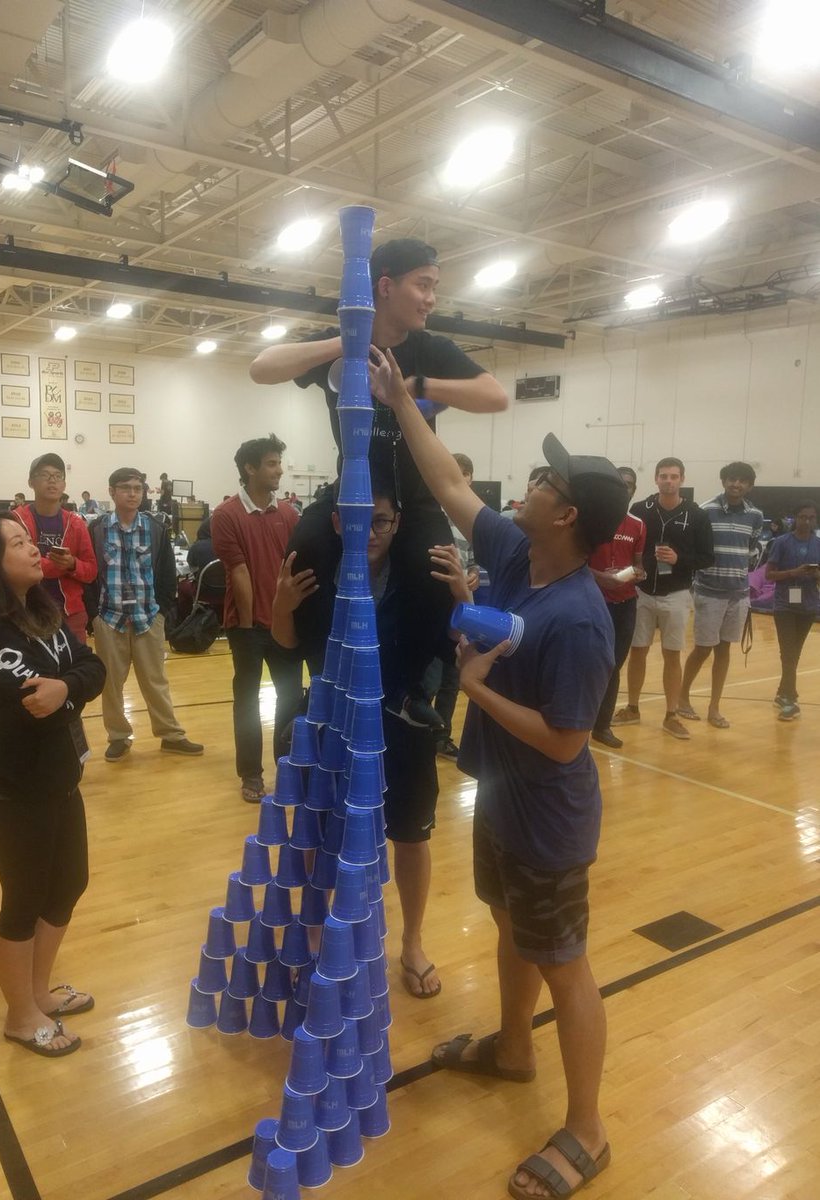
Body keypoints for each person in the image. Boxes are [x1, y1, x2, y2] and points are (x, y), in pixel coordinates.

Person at [370, 346, 627, 1199]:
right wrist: (403, 401)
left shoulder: (579, 618)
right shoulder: (522, 554)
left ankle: (588, 1129)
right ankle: (515, 1050)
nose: (535, 483)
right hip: (503, 797)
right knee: (511, 929)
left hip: (550, 812)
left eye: (549, 483)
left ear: (569, 517)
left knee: (565, 962)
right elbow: (448, 485)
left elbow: (566, 739)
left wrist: (475, 687)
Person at [249, 236, 508, 728]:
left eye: (435, 287)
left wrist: (415, 388)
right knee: (302, 557)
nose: (432, 298)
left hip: (415, 497)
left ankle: (407, 690)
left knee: (434, 576)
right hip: (351, 494)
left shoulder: (431, 349)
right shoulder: (341, 342)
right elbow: (261, 368)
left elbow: (494, 396)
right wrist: (346, 343)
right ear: (385, 286)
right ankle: (315, 683)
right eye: (423, 285)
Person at [272, 486, 471, 998]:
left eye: (381, 521)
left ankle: (413, 943)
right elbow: (288, 644)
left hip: (399, 725)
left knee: (410, 835)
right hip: (332, 722)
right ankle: (319, 940)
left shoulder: (416, 582)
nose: (370, 532)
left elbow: (458, 646)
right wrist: (282, 605)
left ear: (398, 522)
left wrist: (464, 602)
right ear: (338, 522)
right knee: (321, 834)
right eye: (360, 520)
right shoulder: (319, 575)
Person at [0, 513, 105, 1056]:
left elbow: (88, 667)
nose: (36, 549)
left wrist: (68, 687)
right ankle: (19, 1016)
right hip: (13, 794)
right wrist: (67, 690)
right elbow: (39, 704)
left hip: (60, 779)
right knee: (24, 901)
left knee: (68, 885)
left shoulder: (41, 610)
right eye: (18, 543)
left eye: (29, 539)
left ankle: (37, 993)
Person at [88, 467, 203, 761]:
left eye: (138, 488)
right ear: (112, 491)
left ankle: (171, 735)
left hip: (148, 617)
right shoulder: (98, 529)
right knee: (111, 683)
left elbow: (166, 574)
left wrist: (162, 611)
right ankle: (118, 736)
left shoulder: (155, 528)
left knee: (155, 680)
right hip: (109, 618)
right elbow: (90, 574)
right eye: (125, 487)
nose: (132, 493)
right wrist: (94, 615)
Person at [212, 435, 302, 803]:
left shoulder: (289, 514)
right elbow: (239, 573)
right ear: (249, 469)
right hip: (246, 626)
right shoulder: (226, 515)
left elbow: (295, 568)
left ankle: (289, 767)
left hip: (285, 624)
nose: (279, 469)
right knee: (247, 700)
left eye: (279, 462)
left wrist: (289, 615)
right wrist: (250, 625)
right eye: (270, 463)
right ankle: (250, 775)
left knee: (292, 698)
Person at [613, 457, 713, 740]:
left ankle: (671, 714)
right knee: (638, 651)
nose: (668, 481)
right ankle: (632, 708)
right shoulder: (639, 510)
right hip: (641, 592)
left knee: (672, 655)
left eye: (674, 476)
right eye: (663, 476)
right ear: (655, 479)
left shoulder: (696, 514)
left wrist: (680, 559)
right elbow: (626, 548)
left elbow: (708, 558)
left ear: (682, 479)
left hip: (677, 595)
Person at [678, 463, 763, 729]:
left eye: (742, 481)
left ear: (749, 485)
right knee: (703, 649)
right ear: (724, 481)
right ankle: (682, 698)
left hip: (738, 594)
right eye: (731, 479)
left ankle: (714, 707)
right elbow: (696, 548)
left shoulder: (756, 515)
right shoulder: (706, 510)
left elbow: (753, 548)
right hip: (709, 592)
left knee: (724, 649)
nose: (736, 484)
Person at [424, 452, 479, 758]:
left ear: (469, 477)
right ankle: (421, 731)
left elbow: (474, 561)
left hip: (461, 609)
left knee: (452, 678)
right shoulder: (430, 514)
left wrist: (471, 574)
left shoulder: (471, 519)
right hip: (435, 608)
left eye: (462, 473)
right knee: (430, 679)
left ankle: (441, 736)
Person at [587, 467, 646, 748]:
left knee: (613, 665)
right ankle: (575, 721)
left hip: (625, 602)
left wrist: (639, 573)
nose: (626, 489)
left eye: (630, 485)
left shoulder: (638, 525)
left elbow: (638, 563)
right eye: (620, 484)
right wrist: (601, 578)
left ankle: (602, 725)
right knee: (584, 663)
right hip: (592, 601)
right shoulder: (590, 519)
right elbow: (575, 562)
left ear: (634, 489)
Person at [15, 454, 98, 645]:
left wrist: (72, 564)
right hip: (26, 611)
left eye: (58, 475)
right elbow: (16, 565)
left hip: (70, 613)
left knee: (73, 670)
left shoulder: (76, 523)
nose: (52, 480)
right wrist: (61, 566)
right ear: (30, 482)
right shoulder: (15, 521)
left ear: (64, 484)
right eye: (44, 474)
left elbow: (91, 571)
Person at [766, 500, 820, 721]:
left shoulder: (818, 543)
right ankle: (790, 699)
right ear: (795, 518)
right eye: (803, 517)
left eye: (811, 517)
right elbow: (769, 575)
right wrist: (794, 572)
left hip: (808, 605)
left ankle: (783, 692)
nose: (807, 521)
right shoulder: (781, 542)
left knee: (794, 653)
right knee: (787, 652)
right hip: (784, 606)